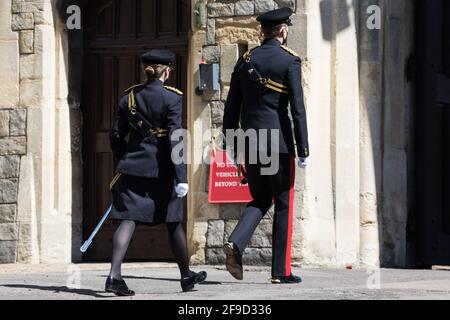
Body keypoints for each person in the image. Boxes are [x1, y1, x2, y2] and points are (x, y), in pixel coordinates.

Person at [106, 49, 207, 296]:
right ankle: (185, 276)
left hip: (133, 169)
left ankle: (114, 275)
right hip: (163, 171)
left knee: (128, 219)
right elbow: (175, 139)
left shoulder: (128, 97)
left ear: (147, 70)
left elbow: (115, 135)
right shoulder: (172, 98)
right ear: (167, 71)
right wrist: (181, 177)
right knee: (173, 222)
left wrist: (126, 158)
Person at [222, 7, 310, 284]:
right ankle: (280, 272)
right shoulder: (289, 61)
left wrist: (232, 147)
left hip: (250, 142)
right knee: (283, 203)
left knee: (260, 199)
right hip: (279, 144)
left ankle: (235, 242)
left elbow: (231, 108)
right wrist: (304, 149)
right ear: (283, 31)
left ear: (263, 31)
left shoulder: (245, 60)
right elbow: (297, 109)